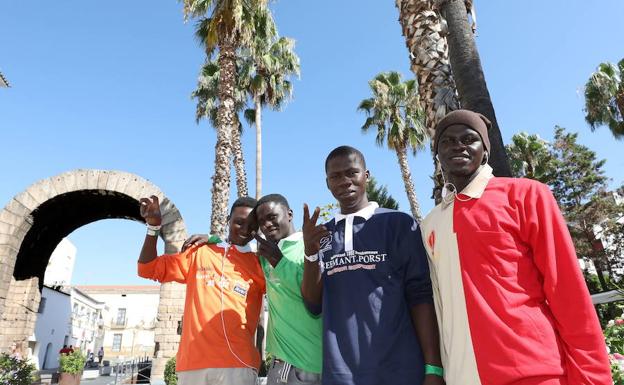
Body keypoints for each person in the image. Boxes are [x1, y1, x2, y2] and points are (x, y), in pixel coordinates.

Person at [420, 109, 612, 385]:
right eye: (447, 141)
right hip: (461, 377)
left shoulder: (527, 195)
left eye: (469, 139)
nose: (458, 145)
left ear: (485, 151)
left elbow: (567, 290)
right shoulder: (430, 223)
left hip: (534, 372)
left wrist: (593, 377)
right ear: (437, 154)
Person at [300, 145, 443, 385]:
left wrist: (433, 367)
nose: (344, 181)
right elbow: (313, 305)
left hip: (400, 371)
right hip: (341, 375)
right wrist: (310, 254)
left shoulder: (397, 224)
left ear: (366, 176)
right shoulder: (322, 235)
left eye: (351, 172)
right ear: (327, 184)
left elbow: (420, 297)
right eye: (335, 176)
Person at [184, 194, 323, 385]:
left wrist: (282, 261)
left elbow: (315, 298)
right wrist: (214, 239)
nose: (266, 225)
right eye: (261, 221)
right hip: (279, 364)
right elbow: (239, 254)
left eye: (272, 217)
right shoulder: (266, 255)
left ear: (289, 214)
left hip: (310, 364)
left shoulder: (309, 247)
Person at [137, 195, 265, 385]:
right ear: (228, 221)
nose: (245, 230)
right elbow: (147, 268)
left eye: (252, 225)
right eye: (239, 223)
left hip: (239, 365)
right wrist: (154, 228)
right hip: (193, 365)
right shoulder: (200, 251)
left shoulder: (259, 264)